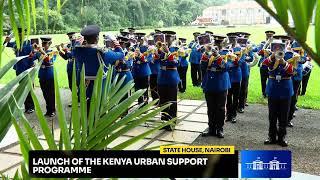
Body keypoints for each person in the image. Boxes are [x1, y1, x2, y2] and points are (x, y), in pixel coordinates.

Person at [73, 25, 124, 106]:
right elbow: (121, 54)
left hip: (85, 85)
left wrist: (78, 41)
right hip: (100, 85)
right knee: (99, 108)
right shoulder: (102, 52)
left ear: (84, 39)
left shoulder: (78, 51)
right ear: (97, 38)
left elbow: (75, 47)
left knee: (86, 108)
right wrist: (115, 41)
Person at [262, 41, 294, 147]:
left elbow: (293, 71)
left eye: (281, 47)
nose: (279, 49)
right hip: (273, 89)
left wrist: (284, 62)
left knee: (283, 116)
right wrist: (272, 56)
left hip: (285, 89)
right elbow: (263, 65)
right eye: (276, 47)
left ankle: (281, 138)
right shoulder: (270, 56)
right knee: (272, 116)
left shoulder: (290, 55)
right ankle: (271, 137)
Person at [4, 28, 35, 114]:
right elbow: (5, 44)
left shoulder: (28, 43)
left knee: (28, 88)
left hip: (27, 68)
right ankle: (26, 107)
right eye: (17, 34)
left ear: (24, 34)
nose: (19, 35)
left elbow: (33, 55)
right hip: (19, 68)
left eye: (20, 34)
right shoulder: (15, 43)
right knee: (22, 88)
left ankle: (31, 107)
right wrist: (9, 37)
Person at [201, 50, 231, 138]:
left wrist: (218, 57)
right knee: (210, 107)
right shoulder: (208, 53)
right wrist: (205, 56)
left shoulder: (227, 52)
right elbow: (203, 67)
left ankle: (220, 129)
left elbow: (226, 67)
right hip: (209, 83)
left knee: (220, 108)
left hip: (221, 84)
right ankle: (211, 128)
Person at [157, 40, 180, 131]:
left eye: (166, 44)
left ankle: (172, 122)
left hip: (171, 79)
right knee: (163, 101)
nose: (164, 46)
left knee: (172, 101)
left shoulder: (175, 51)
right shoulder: (159, 52)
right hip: (162, 79)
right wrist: (159, 51)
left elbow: (176, 63)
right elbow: (155, 60)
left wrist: (168, 53)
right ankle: (164, 121)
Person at [32, 37, 58, 117]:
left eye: (45, 43)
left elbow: (49, 61)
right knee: (45, 94)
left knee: (51, 94)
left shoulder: (53, 51)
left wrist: (41, 51)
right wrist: (33, 51)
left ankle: (52, 110)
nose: (43, 45)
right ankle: (48, 110)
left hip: (49, 75)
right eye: (42, 43)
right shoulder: (39, 52)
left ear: (49, 44)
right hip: (42, 75)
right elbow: (31, 58)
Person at [132, 33, 151, 106]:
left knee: (144, 88)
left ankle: (145, 104)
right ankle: (140, 103)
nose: (139, 41)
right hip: (136, 71)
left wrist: (140, 54)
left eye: (141, 39)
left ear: (143, 40)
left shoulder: (147, 48)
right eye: (138, 39)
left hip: (144, 71)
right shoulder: (134, 47)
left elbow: (148, 59)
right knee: (137, 88)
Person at [287, 41, 304, 127]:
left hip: (296, 77)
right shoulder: (287, 53)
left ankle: (289, 118)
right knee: (286, 98)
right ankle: (284, 117)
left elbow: (303, 60)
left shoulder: (300, 53)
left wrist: (298, 57)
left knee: (293, 98)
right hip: (287, 78)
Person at [258, 30, 275, 98]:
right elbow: (259, 53)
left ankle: (270, 92)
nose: (269, 37)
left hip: (271, 64)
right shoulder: (262, 43)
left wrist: (270, 52)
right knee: (263, 79)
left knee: (271, 79)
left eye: (270, 36)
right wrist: (264, 48)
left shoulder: (274, 44)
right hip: (263, 65)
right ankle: (263, 93)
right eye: (267, 36)